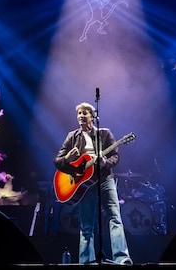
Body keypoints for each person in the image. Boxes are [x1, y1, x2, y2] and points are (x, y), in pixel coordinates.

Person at [54, 102, 133, 265]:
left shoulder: (104, 134)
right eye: (79, 113)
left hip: (105, 180)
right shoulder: (72, 137)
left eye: (85, 113)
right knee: (86, 225)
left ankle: (122, 258)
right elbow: (57, 161)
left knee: (115, 218)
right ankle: (86, 262)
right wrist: (67, 159)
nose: (81, 116)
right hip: (83, 185)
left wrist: (103, 162)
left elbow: (115, 157)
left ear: (93, 116)